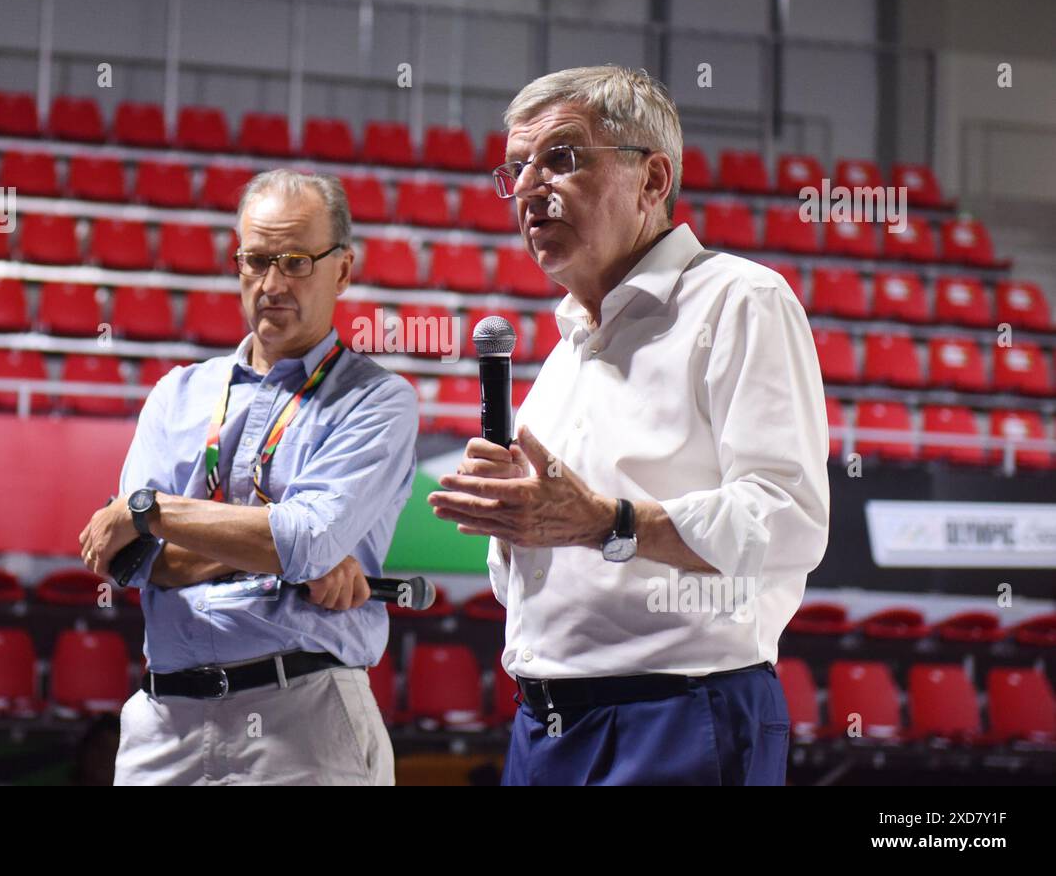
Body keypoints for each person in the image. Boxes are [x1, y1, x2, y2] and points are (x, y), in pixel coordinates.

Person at [429, 65, 830, 786]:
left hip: (681, 715)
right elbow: (538, 576)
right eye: (516, 168)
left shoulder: (740, 301)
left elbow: (792, 520)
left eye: (560, 158)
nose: (527, 187)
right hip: (544, 722)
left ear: (652, 180)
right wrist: (517, 520)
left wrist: (606, 522)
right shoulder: (563, 354)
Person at [80, 170, 418, 786]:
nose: (271, 284)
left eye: (294, 261)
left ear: (342, 270)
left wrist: (148, 508)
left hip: (303, 720)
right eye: (255, 260)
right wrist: (280, 550)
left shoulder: (377, 400)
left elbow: (306, 539)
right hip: (165, 723)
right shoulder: (177, 393)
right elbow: (125, 559)